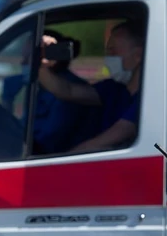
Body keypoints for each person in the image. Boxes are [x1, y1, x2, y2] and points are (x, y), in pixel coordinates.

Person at [36, 20, 144, 153]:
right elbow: (67, 91)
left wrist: (61, 164)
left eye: (113, 51)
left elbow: (113, 136)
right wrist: (40, 61)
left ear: (138, 55)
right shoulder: (114, 88)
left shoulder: (146, 99)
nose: (108, 58)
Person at [1, 30, 102, 155]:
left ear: (49, 59)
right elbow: (22, 130)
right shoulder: (37, 89)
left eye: (29, 59)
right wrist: (7, 101)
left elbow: (45, 145)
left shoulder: (69, 94)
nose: (22, 63)